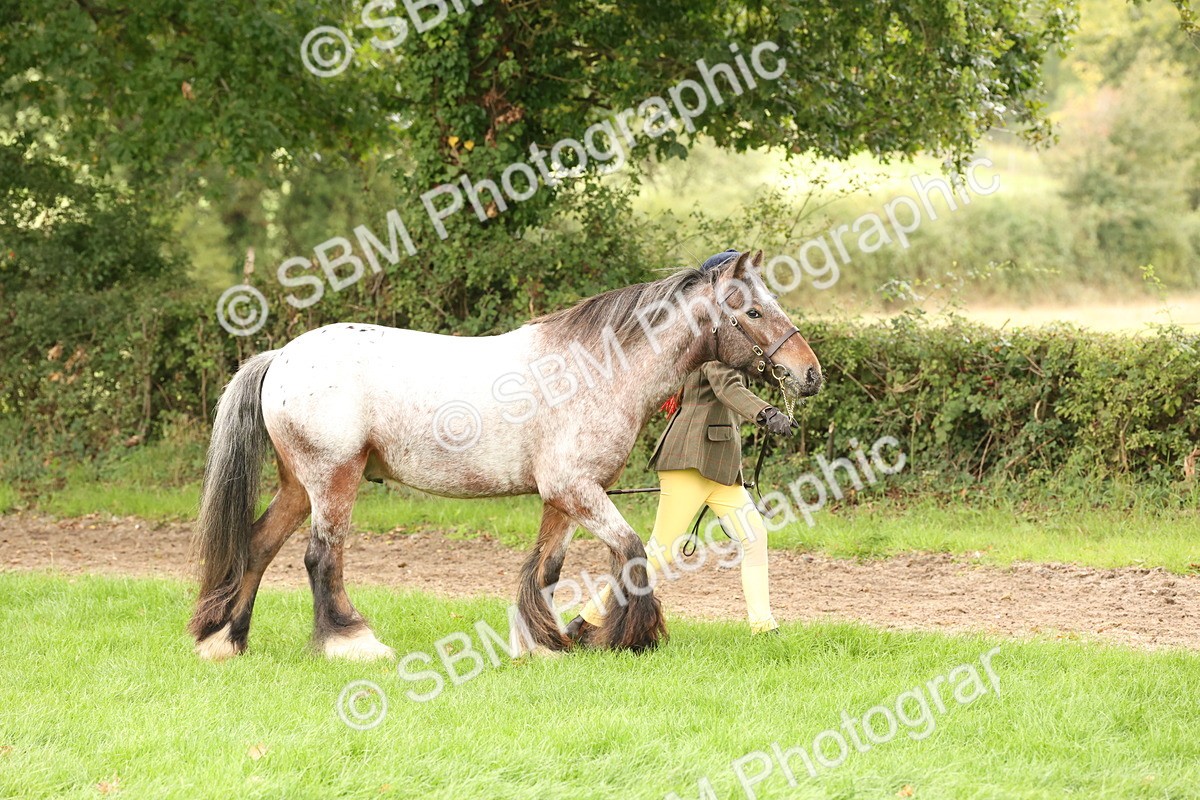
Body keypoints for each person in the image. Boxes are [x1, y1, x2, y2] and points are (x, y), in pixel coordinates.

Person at [566, 249, 797, 641]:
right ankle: (585, 620)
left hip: (718, 462)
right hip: (691, 456)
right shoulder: (712, 339)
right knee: (662, 551)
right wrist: (765, 414)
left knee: (753, 535)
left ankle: (764, 627)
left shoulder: (729, 334)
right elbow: (727, 388)